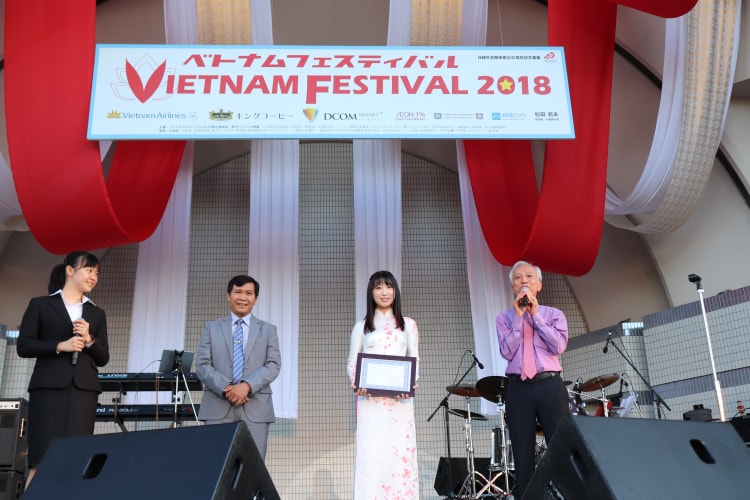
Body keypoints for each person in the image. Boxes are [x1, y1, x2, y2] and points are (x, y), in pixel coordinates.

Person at [17, 250, 110, 487]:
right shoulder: (40, 305)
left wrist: (89, 339)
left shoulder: (96, 313)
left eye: (96, 273)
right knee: (41, 459)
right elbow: (24, 345)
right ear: (70, 270)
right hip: (47, 390)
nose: (93, 277)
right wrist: (60, 345)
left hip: (83, 393)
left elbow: (103, 357)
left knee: (77, 461)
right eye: (88, 270)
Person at [496, 260, 569, 499]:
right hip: (518, 388)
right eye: (518, 278)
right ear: (513, 286)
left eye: (529, 277)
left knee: (560, 447)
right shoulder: (504, 318)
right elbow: (507, 352)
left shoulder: (553, 314)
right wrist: (519, 318)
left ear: (539, 285)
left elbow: (558, 346)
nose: (524, 281)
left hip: (549, 385)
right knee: (522, 454)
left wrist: (536, 316)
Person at [346, 271, 420, 499]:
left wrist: (412, 382)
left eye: (388, 286)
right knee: (372, 454)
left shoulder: (408, 324)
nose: (384, 292)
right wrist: (357, 383)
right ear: (371, 292)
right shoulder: (362, 326)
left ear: (395, 290)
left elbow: (414, 357)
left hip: (400, 403)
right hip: (370, 402)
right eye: (378, 287)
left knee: (400, 456)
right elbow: (352, 360)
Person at [196, 275, 281, 460]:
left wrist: (246, 386)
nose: (243, 297)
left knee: (253, 469)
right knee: (213, 465)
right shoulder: (211, 328)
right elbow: (202, 365)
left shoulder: (268, 330)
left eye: (249, 293)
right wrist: (227, 389)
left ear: (255, 299)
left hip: (256, 410)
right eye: (238, 292)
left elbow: (273, 364)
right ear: (228, 296)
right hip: (217, 408)